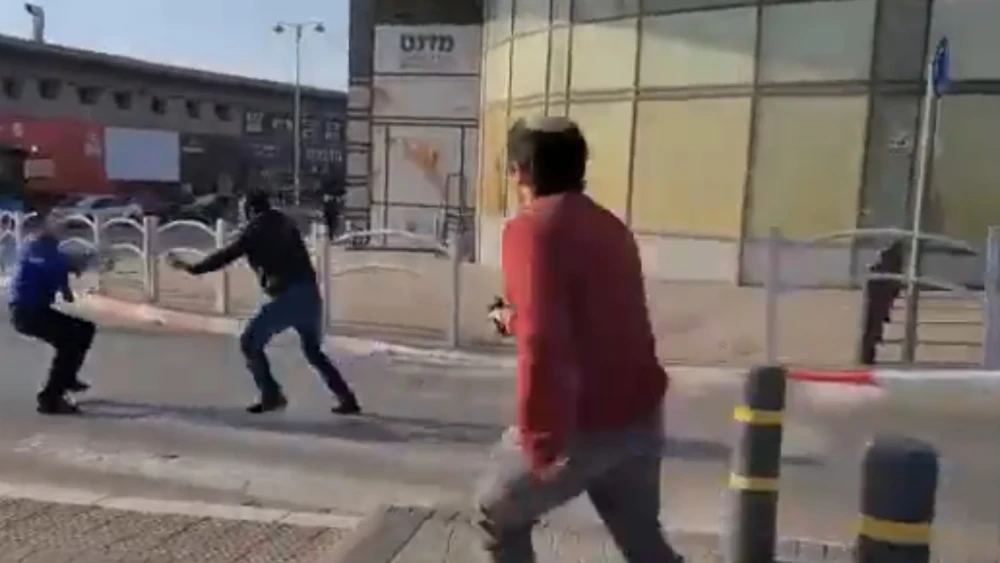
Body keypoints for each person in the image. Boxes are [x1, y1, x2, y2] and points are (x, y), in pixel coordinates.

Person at [475, 116, 682, 562]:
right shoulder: (611, 227)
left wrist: (540, 441)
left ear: (520, 171)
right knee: (643, 542)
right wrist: (512, 319)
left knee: (496, 510)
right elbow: (590, 316)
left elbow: (543, 341)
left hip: (580, 424)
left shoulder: (530, 229)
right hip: (640, 415)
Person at [166, 190, 361, 415]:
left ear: (250, 209)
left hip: (289, 298)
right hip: (310, 295)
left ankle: (271, 394)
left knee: (249, 342)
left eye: (242, 210)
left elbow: (226, 256)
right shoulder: (285, 222)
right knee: (313, 351)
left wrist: (192, 268)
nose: (241, 215)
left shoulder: (255, 229)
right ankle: (346, 397)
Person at [7, 214, 94, 415]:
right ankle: (50, 398)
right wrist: (72, 267)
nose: (63, 230)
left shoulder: (45, 248)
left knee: (85, 329)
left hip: (35, 310)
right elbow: (51, 267)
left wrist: (68, 278)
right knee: (70, 343)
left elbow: (57, 272)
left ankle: (67, 377)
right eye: (58, 226)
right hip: (27, 312)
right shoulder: (38, 248)